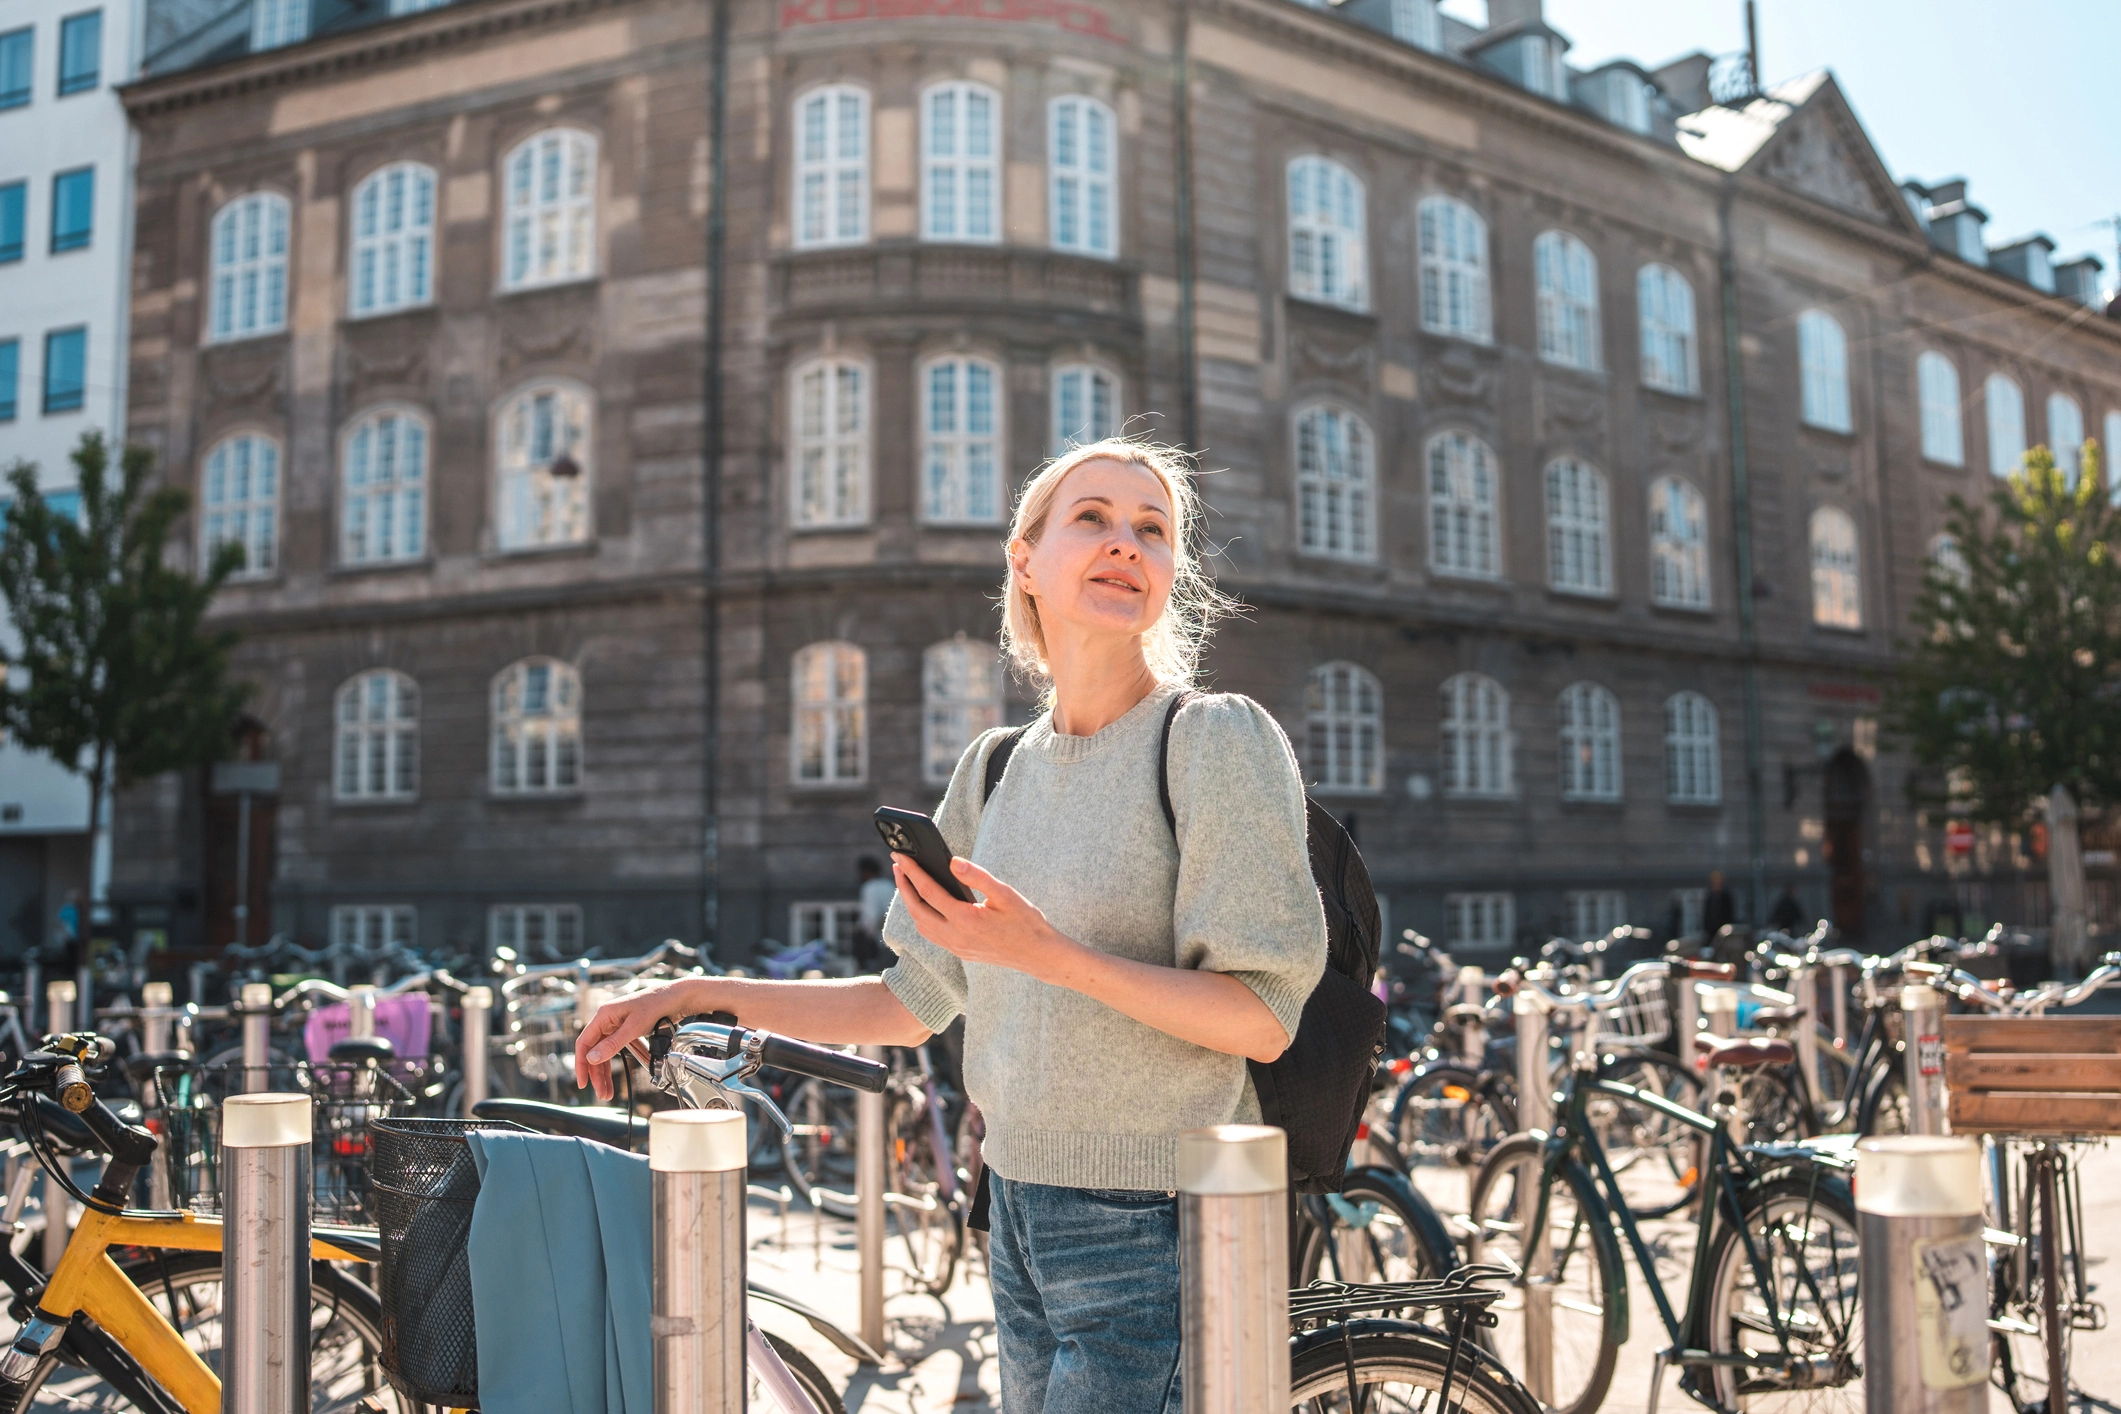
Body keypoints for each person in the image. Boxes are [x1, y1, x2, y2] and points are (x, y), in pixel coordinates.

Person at [574, 438, 1326, 1414]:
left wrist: (1047, 955)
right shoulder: (994, 767)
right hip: (1010, 1209)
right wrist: (700, 992)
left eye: (1152, 529)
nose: (1124, 544)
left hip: (1161, 1219)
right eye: (1091, 518)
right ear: (1026, 559)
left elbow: (1261, 1016)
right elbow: (907, 1001)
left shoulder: (1213, 738)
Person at [852, 855, 892, 973]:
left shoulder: (870, 887)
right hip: (895, 939)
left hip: (877, 942)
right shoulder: (889, 885)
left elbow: (871, 917)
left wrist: (862, 934)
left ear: (865, 871)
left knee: (873, 974)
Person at [1702, 869, 1736, 939]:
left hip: (1724, 930)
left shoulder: (1726, 897)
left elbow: (1729, 913)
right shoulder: (1710, 897)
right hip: (1711, 932)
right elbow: (1707, 915)